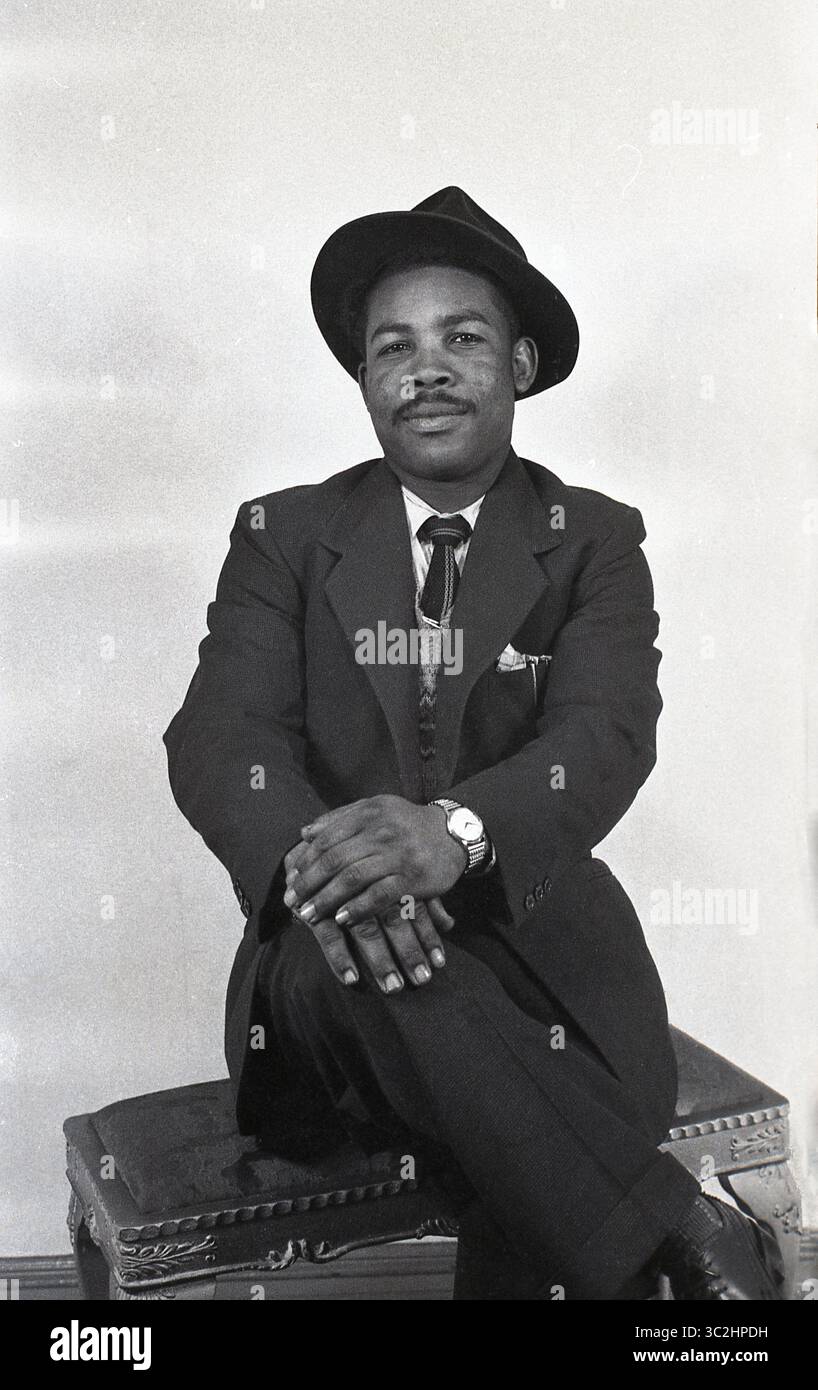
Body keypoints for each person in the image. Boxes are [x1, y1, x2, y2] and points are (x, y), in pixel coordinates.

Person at [164, 186, 783, 1300]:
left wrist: (452, 836)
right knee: (372, 960)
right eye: (391, 347)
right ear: (363, 382)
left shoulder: (591, 537)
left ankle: (631, 1246)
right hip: (326, 971)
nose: (425, 367)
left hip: (544, 954)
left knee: (504, 1137)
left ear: (521, 365)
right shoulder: (283, 536)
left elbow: (604, 731)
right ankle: (671, 1243)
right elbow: (221, 734)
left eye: (462, 337)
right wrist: (340, 873)